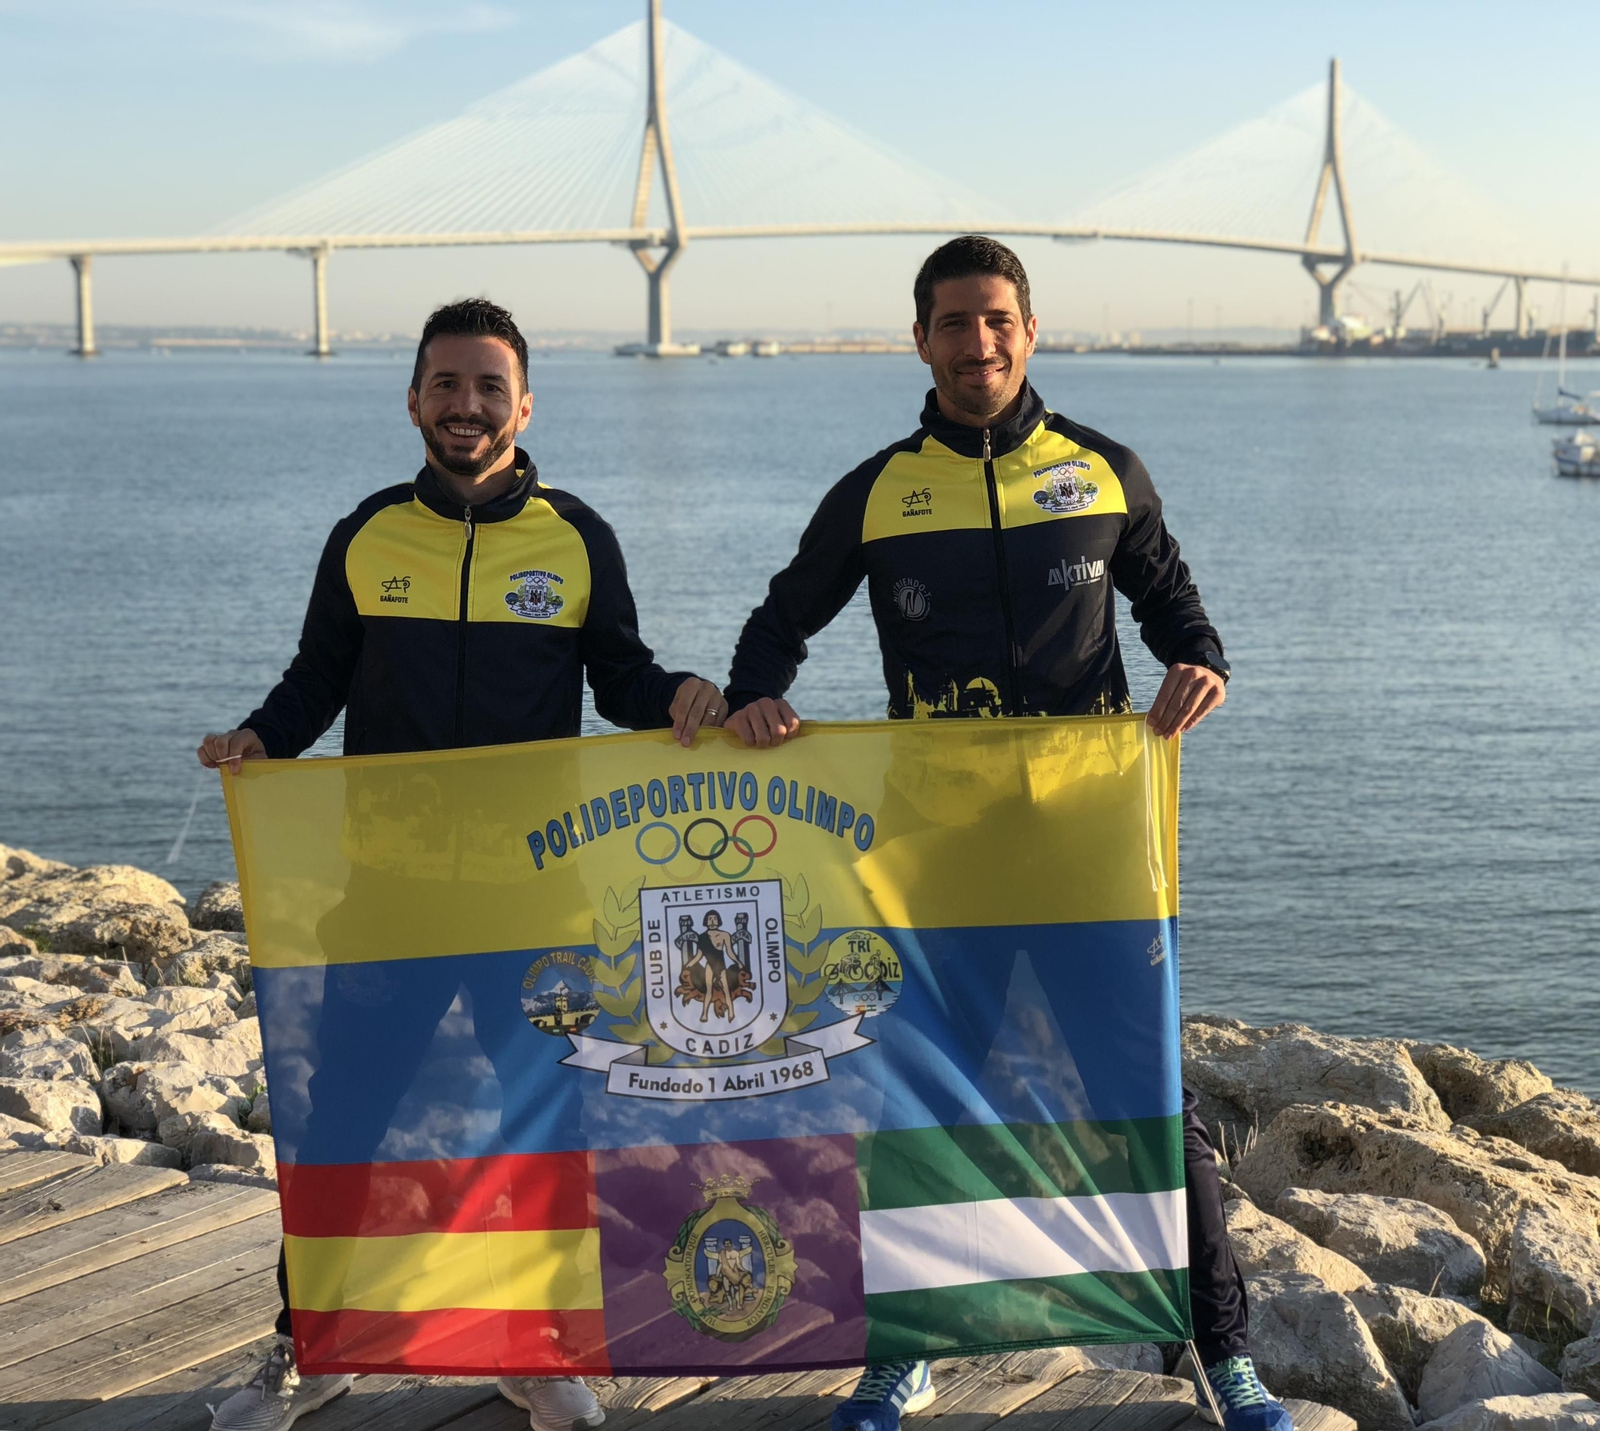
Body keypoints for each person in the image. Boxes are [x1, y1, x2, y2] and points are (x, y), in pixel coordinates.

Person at [723, 236, 1288, 1431]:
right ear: (918, 339)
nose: (975, 342)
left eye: (996, 320)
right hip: (938, 853)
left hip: (1089, 842)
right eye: (951, 322)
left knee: (1148, 1095)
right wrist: (756, 698)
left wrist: (1204, 664)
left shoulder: (1101, 470)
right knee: (921, 1097)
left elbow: (1178, 609)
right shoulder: (876, 490)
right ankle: (909, 1346)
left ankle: (1221, 1351)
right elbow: (776, 624)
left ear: (1029, 332)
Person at [197, 297, 726, 1431]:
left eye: (489, 387)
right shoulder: (368, 533)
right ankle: (311, 1342)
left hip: (534, 900)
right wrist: (257, 739)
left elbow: (621, 676)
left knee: (542, 1125)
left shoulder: (576, 537)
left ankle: (541, 1351)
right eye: (446, 385)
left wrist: (678, 694)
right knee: (344, 1120)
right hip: (386, 894)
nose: (466, 406)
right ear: (414, 403)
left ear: (524, 405)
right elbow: (313, 683)